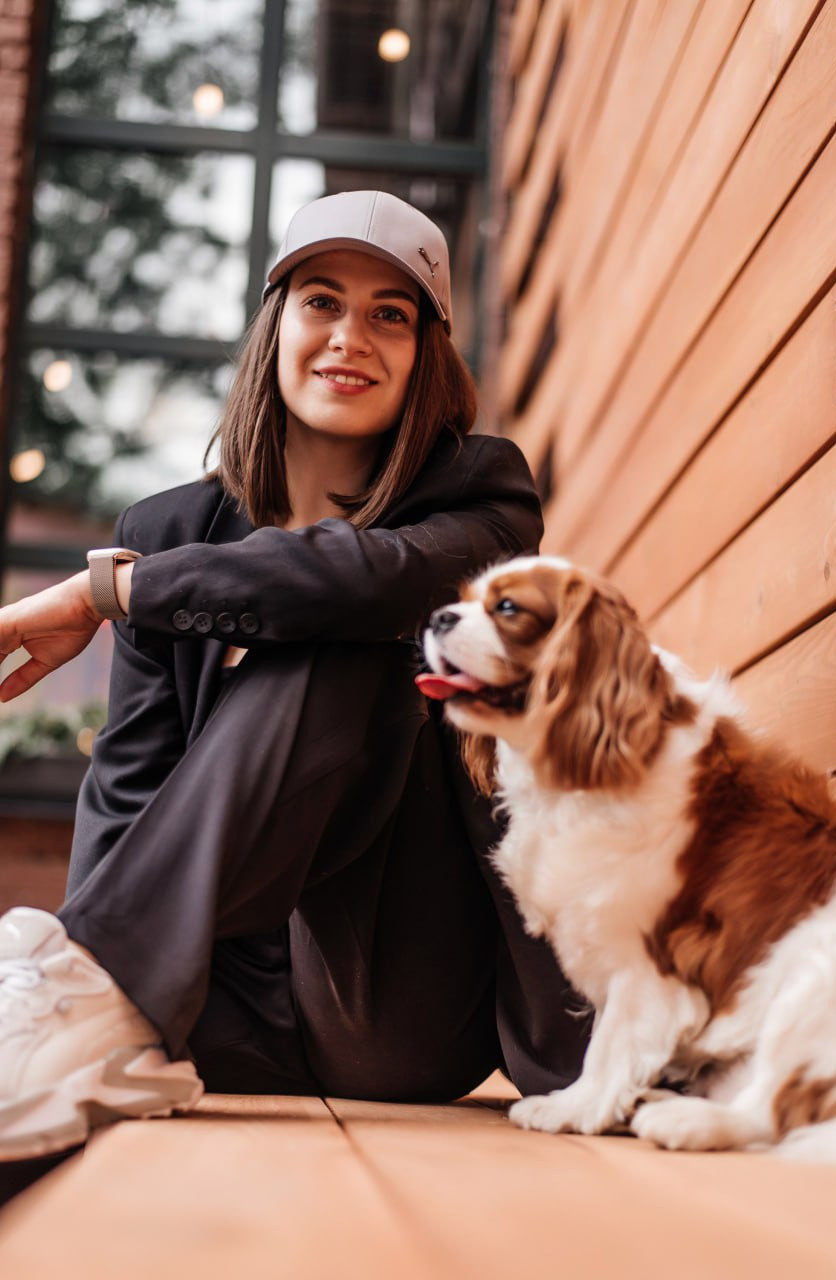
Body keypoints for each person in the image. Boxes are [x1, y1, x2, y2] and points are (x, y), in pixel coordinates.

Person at [0, 189, 560, 1162]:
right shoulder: (167, 530)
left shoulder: (483, 493)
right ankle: (96, 1000)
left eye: (390, 314)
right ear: (276, 326)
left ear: (425, 354)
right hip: (206, 999)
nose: (350, 336)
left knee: (349, 630)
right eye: (321, 301)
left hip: (390, 1002)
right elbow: (129, 785)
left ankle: (96, 988)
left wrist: (113, 593)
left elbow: (365, 581)